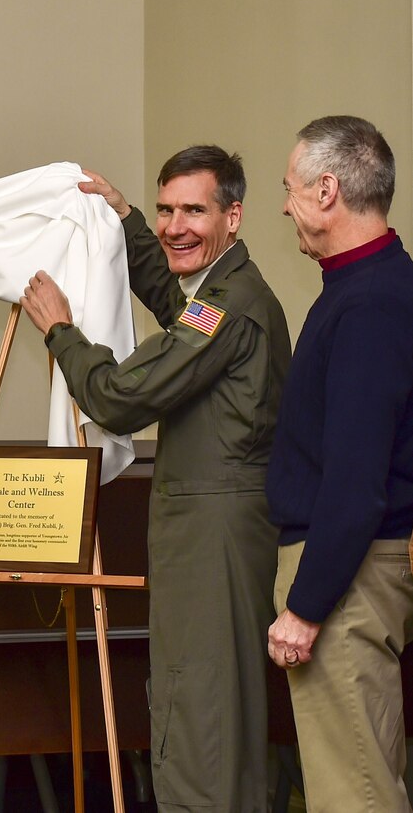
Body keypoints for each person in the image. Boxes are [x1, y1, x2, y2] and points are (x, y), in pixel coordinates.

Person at [20, 146, 290, 812]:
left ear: (233, 216)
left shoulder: (226, 306)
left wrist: (62, 334)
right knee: (212, 707)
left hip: (213, 538)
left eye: (192, 211)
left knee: (200, 711)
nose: (176, 226)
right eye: (166, 210)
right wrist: (125, 220)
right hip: (211, 532)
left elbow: (118, 398)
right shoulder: (218, 293)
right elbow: (176, 297)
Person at [266, 115, 413, 811]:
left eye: (289, 188)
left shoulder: (370, 303)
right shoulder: (362, 286)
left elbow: (355, 483)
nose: (283, 205)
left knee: (353, 792)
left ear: (326, 190)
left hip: (345, 576)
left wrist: (304, 606)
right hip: (350, 569)